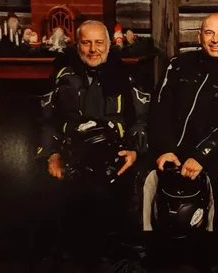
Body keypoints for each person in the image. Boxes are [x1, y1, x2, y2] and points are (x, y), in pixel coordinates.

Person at [37, 20, 149, 270]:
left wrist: (134, 151)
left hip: (115, 155)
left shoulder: (127, 76)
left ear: (109, 45)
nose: (93, 49)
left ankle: (116, 262)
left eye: (99, 43)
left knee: (118, 202)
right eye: (86, 43)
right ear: (78, 45)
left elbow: (141, 121)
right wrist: (51, 154)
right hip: (71, 155)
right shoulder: (63, 76)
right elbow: (46, 121)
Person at [146, 13, 218, 273]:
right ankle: (143, 254)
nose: (215, 40)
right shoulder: (178, 64)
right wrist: (164, 149)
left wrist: (201, 156)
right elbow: (159, 108)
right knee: (140, 178)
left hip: (214, 151)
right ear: (199, 36)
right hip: (171, 149)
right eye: (209, 33)